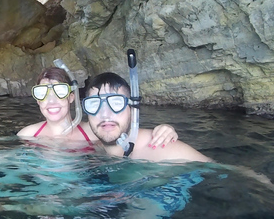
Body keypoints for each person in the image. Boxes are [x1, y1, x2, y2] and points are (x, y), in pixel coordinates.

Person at [17, 67, 178, 150]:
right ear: (38, 100)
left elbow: (129, 134)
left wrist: (166, 129)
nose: (51, 100)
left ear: (72, 97)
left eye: (59, 92)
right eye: (42, 93)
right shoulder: (27, 135)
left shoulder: (94, 132)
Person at [83, 71, 212, 162]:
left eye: (117, 103)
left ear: (133, 111)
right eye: (94, 104)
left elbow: (220, 173)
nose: (105, 114)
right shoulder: (94, 150)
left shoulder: (166, 152)